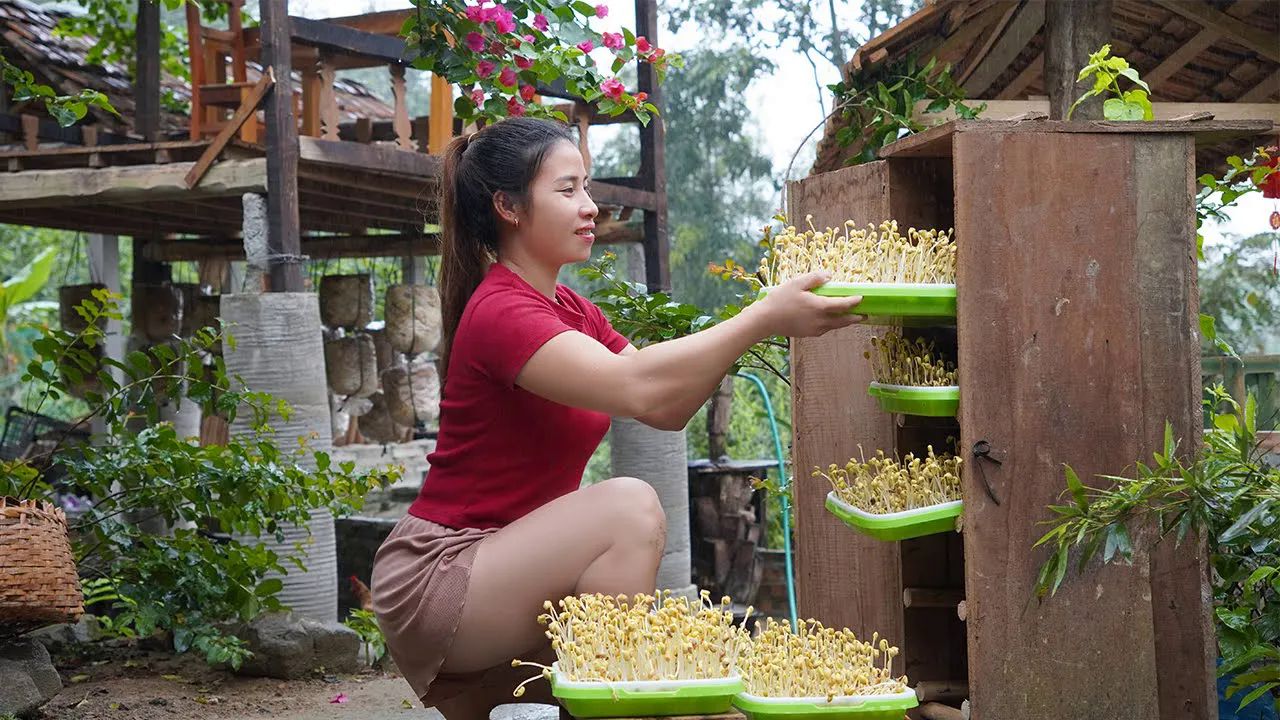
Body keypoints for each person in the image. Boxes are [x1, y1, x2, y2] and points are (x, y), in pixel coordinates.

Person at [370, 117, 862, 719]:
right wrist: (760, 317)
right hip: (446, 576)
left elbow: (669, 408)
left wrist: (756, 323)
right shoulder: (501, 310)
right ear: (508, 206)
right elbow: (642, 388)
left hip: (508, 570)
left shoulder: (572, 310)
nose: (590, 207)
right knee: (629, 506)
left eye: (588, 188)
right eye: (568, 189)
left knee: (703, 702)